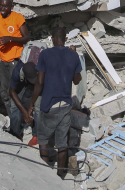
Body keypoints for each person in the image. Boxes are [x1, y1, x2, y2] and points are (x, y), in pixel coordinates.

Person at [29, 27, 82, 179]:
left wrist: (32, 103)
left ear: (52, 39)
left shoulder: (45, 54)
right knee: (62, 143)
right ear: (65, 39)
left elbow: (39, 82)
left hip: (49, 104)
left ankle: (45, 174)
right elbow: (77, 80)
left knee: (44, 139)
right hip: (65, 104)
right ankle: (60, 175)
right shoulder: (73, 55)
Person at [9, 60, 39, 144]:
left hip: (36, 84)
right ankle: (16, 134)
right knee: (15, 108)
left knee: (38, 108)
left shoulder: (40, 68)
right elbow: (11, 91)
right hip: (20, 84)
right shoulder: (17, 72)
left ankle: (36, 135)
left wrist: (31, 106)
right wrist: (24, 112)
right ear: (25, 76)